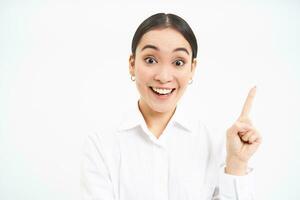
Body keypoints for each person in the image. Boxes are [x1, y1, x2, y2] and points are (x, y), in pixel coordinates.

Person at [81, 13, 262, 200]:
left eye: (178, 62)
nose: (164, 76)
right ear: (132, 64)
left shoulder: (216, 142)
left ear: (192, 69)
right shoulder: (101, 145)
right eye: (151, 60)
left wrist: (237, 164)